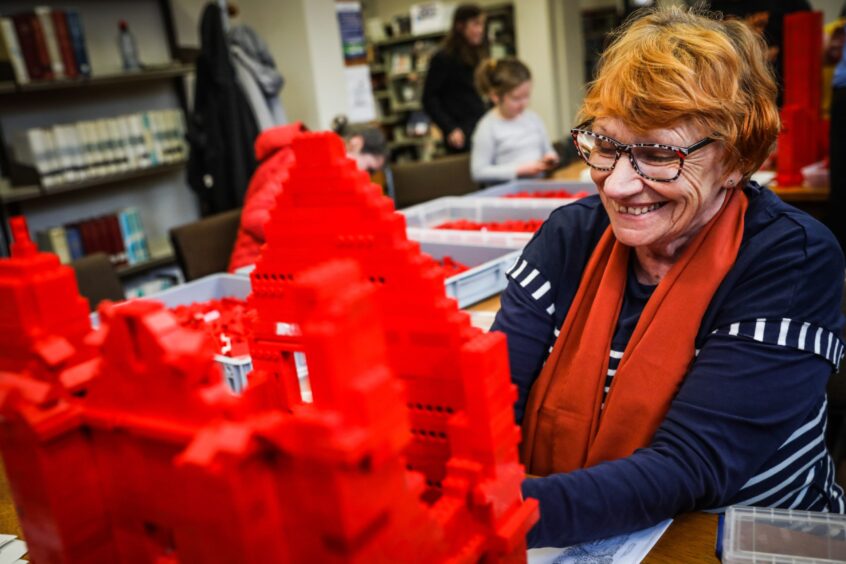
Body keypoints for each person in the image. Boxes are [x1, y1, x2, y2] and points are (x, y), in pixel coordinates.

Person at [490, 7, 846, 548]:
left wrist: (490, 514)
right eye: (605, 146)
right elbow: (492, 399)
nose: (616, 186)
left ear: (735, 159)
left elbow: (693, 463)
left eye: (659, 154)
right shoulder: (567, 239)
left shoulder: (791, 259)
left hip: (750, 539)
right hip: (578, 533)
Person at [228, 120, 387, 271]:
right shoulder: (299, 157)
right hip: (254, 265)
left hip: (281, 263)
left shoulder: (325, 165)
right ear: (355, 144)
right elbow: (252, 216)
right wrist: (304, 235)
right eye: (368, 169)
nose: (365, 176)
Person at [470, 58, 558, 184]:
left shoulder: (533, 118)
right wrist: (519, 170)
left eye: (527, 96)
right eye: (516, 98)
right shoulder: (487, 127)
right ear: (495, 96)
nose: (524, 103)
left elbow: (547, 149)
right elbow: (478, 172)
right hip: (507, 194)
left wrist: (550, 157)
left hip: (538, 185)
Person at [422, 4, 487, 154]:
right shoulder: (444, 58)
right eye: (475, 24)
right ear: (460, 26)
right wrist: (450, 128)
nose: (480, 30)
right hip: (461, 134)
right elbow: (429, 99)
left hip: (482, 126)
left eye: (482, 24)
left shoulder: (479, 53)